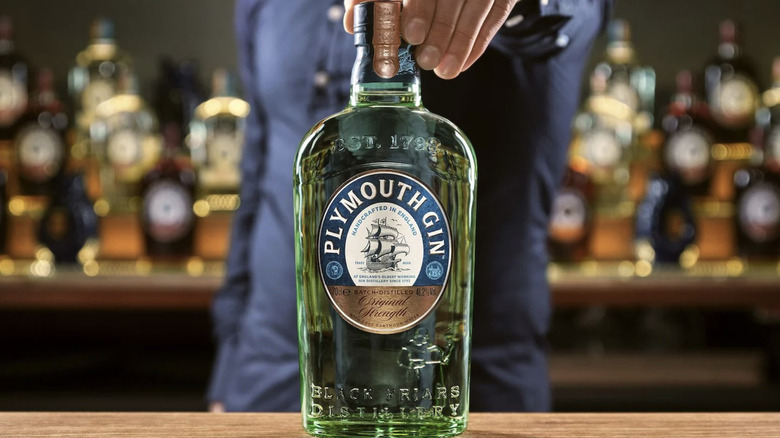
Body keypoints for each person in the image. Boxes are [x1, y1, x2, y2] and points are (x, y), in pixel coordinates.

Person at [208, 0, 610, 413]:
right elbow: (258, 176)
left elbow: (569, 16)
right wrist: (227, 370)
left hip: (460, 385)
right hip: (274, 378)